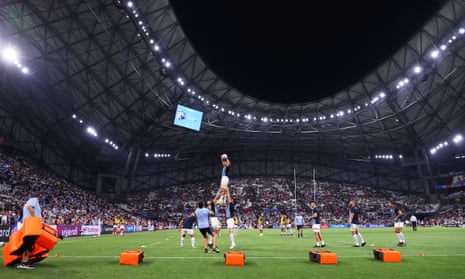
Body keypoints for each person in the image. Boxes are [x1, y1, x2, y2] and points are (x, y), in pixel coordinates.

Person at [17, 196, 42, 269]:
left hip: (30, 223)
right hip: (31, 223)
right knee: (28, 242)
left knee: (29, 243)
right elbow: (30, 207)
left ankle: (25, 261)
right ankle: (24, 262)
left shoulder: (32, 201)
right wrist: (35, 218)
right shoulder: (33, 200)